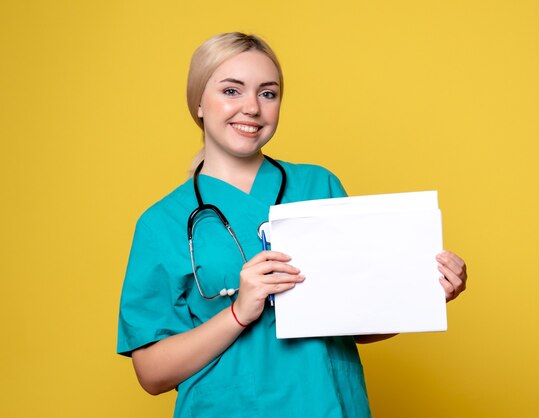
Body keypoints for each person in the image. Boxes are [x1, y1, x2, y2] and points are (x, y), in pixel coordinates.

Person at [117, 32, 468, 418]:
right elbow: (151, 374)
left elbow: (359, 322)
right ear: (198, 102)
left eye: (268, 94)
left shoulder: (319, 186)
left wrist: (421, 292)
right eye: (232, 91)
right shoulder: (161, 223)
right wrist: (238, 313)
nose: (252, 107)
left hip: (328, 405)